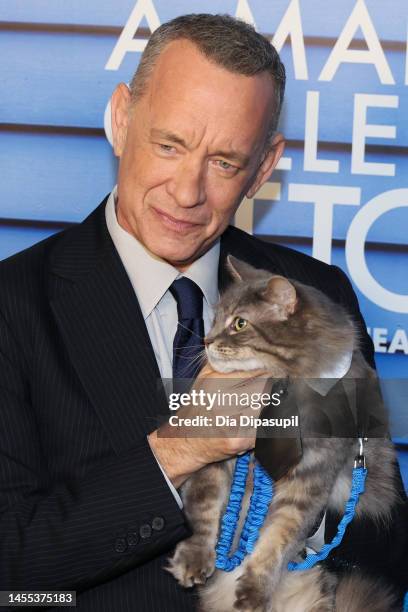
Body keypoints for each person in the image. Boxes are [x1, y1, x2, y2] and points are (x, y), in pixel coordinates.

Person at [0, 13, 406, 612]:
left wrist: (313, 494)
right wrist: (181, 449)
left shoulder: (316, 296)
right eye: (170, 145)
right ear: (120, 119)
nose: (188, 192)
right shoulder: (15, 305)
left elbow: (386, 545)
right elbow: (12, 567)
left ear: (264, 166)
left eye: (224, 162)